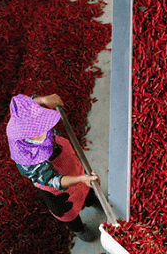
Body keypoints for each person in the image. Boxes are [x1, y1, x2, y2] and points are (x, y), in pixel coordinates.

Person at [6, 93, 100, 242]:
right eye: (40, 130)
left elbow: (25, 104)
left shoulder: (19, 120)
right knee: (68, 213)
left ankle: (92, 200)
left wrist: (43, 100)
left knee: (86, 190)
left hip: (72, 167)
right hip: (58, 191)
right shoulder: (28, 160)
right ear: (28, 136)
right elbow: (55, 181)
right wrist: (81, 179)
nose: (46, 129)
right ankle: (79, 229)